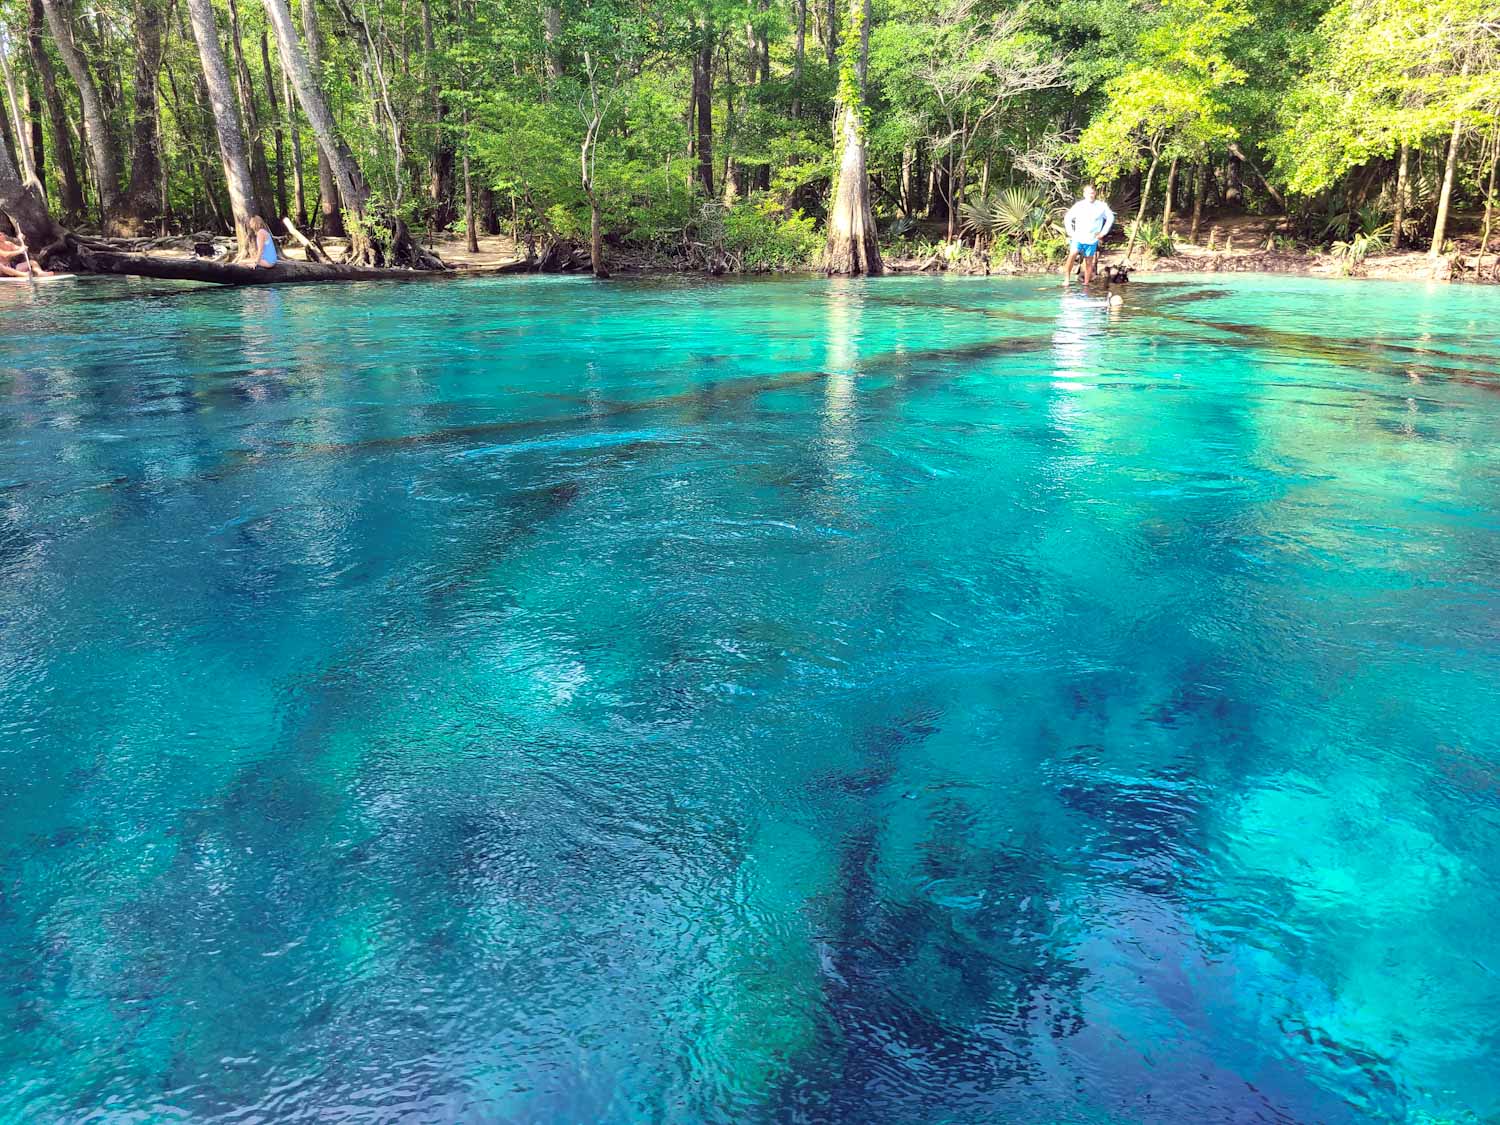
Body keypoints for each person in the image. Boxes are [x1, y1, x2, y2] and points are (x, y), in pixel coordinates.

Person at [1062, 184, 1114, 286]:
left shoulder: (1101, 206)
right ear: (1084, 194)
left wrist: (1103, 232)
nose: (1091, 195)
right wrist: (1070, 232)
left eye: (1092, 193)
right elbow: (1068, 217)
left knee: (1089, 261)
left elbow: (1110, 218)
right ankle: (1066, 279)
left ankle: (1086, 283)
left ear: (1095, 194)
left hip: (1092, 238)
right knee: (1072, 254)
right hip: (1078, 237)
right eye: (1088, 193)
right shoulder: (1079, 205)